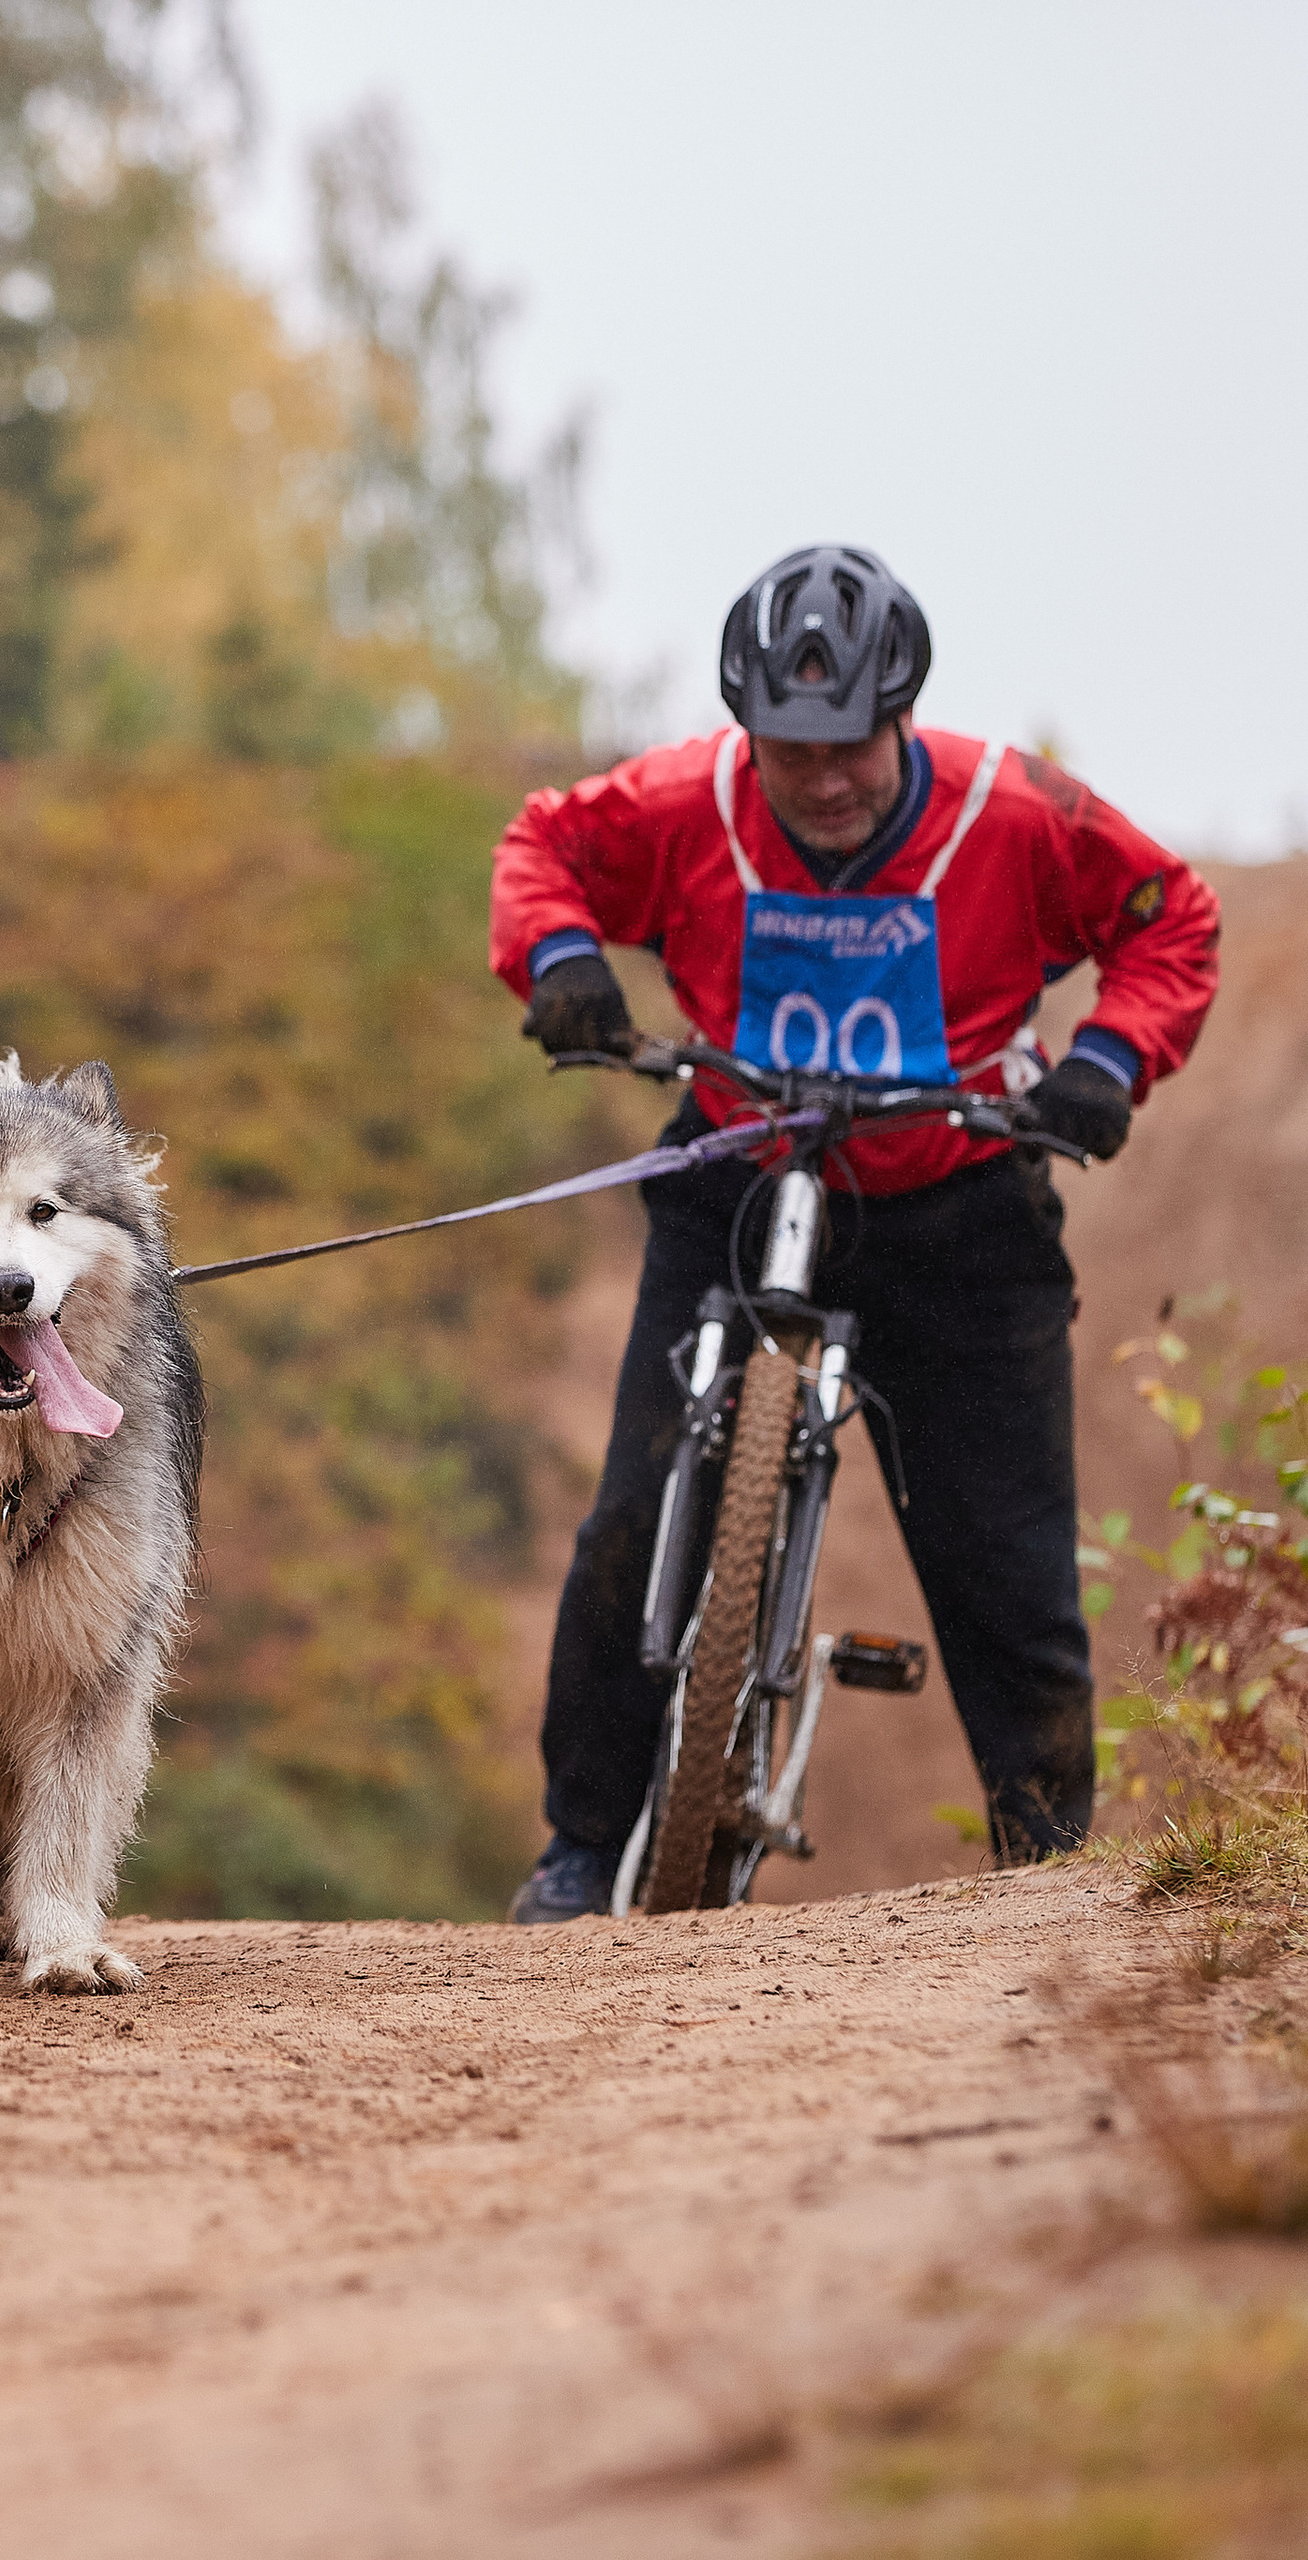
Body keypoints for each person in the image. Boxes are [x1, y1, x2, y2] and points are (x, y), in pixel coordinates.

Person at [490, 544, 1221, 1924]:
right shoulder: (683, 801)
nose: (823, 780)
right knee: (626, 1519)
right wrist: (566, 959)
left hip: (959, 1205)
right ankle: (583, 1850)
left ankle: (1045, 1871)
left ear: (902, 720)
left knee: (1009, 1565)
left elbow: (1167, 917)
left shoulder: (1017, 814)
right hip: (737, 1178)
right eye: (789, 750)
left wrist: (1110, 1062)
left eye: (852, 749)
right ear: (745, 734)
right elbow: (545, 849)